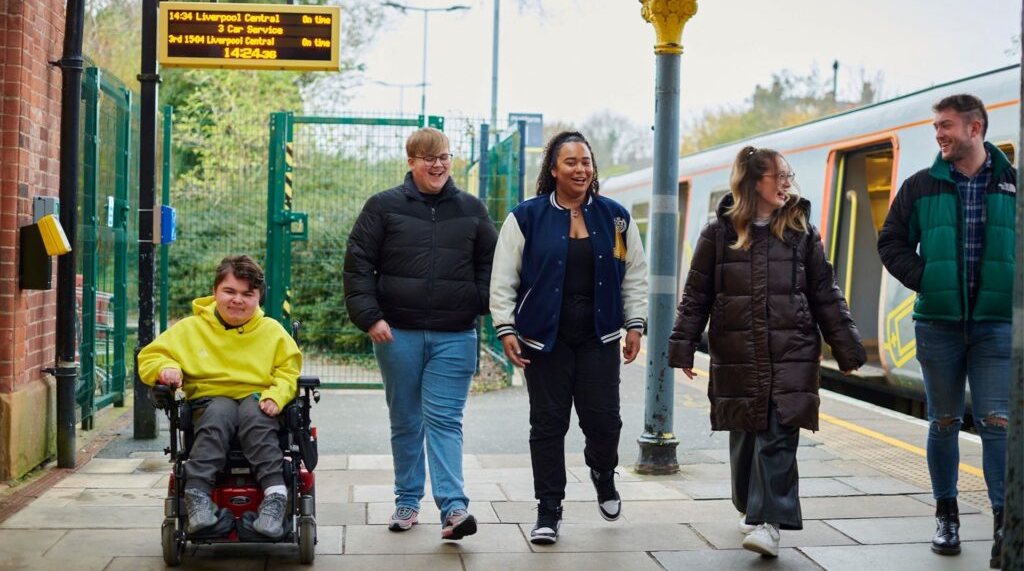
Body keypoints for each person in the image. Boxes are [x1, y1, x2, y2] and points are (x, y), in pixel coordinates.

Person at [668, 146, 866, 558]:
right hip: (738, 352)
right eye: (780, 176)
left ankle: (770, 522)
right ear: (754, 181)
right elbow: (696, 295)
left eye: (788, 176)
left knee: (777, 435)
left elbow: (825, 293)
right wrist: (683, 346)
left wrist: (846, 347)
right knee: (745, 436)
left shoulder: (800, 233)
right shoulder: (717, 234)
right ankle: (750, 506)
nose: (787, 184)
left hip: (790, 351)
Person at [490, 131, 648, 545]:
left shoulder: (615, 218)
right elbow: (503, 277)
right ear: (554, 169)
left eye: (586, 162)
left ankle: (601, 470)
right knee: (548, 424)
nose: (581, 169)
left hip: (599, 335)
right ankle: (548, 510)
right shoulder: (527, 217)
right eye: (571, 162)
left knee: (604, 421)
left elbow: (635, 273)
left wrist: (635, 324)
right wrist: (506, 327)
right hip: (544, 339)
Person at [877, 94, 1014, 568]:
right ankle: (946, 517)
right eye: (937, 126)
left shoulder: (1012, 184)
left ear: (975, 129)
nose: (939, 134)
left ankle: (1005, 526)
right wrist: (926, 278)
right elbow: (890, 241)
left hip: (997, 327)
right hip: (938, 325)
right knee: (944, 422)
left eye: (947, 126)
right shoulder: (920, 187)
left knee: (998, 423)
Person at [343, 127, 497, 541]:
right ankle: (407, 500)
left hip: (455, 334)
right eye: (428, 157)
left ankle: (453, 508)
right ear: (411, 162)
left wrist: (476, 301)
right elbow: (358, 263)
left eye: (444, 156)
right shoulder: (383, 207)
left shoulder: (471, 209)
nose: (438, 164)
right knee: (407, 420)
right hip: (397, 334)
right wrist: (370, 317)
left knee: (445, 419)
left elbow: (491, 263)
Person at [138, 254, 302, 539]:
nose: (238, 300)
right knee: (221, 411)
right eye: (230, 291)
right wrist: (168, 368)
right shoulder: (190, 328)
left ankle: (275, 498)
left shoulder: (272, 331)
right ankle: (197, 496)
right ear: (215, 292)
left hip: (258, 399)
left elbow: (289, 371)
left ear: (258, 298)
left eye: (247, 294)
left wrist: (277, 394)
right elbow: (151, 356)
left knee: (256, 415)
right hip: (209, 401)